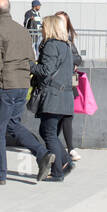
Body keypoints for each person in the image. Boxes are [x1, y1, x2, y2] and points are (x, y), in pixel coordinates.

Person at [0, 0, 52, 185]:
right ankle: (42, 154)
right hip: (22, 84)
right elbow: (31, 57)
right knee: (13, 125)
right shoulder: (22, 29)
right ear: (8, 10)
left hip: (5, 84)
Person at [30, 15, 75, 182]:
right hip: (64, 96)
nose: (41, 29)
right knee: (47, 131)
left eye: (43, 26)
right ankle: (65, 162)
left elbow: (45, 70)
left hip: (53, 97)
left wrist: (29, 65)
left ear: (50, 28)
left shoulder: (50, 45)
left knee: (49, 133)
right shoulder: (65, 46)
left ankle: (57, 172)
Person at [55, 10, 83, 161]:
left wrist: (73, 63)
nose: (61, 24)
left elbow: (78, 58)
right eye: (58, 20)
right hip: (57, 83)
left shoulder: (69, 40)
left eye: (64, 21)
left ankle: (70, 148)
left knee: (68, 115)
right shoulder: (49, 40)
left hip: (70, 81)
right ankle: (54, 145)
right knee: (58, 117)